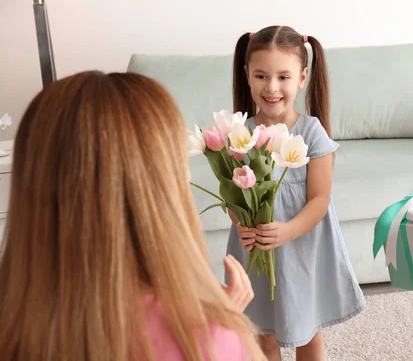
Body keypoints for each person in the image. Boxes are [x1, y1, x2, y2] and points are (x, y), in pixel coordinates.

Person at [0, 71, 265, 361]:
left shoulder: (13, 322)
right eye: (177, 161)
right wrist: (223, 325)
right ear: (163, 185)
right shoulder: (204, 338)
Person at [227, 25, 365, 361]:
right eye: (261, 76)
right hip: (255, 249)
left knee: (306, 329)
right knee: (262, 332)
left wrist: (286, 231)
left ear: (302, 78)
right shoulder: (241, 133)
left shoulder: (311, 132)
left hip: (301, 248)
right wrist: (241, 222)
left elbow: (319, 200)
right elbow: (232, 195)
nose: (272, 87)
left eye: (283, 77)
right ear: (247, 76)